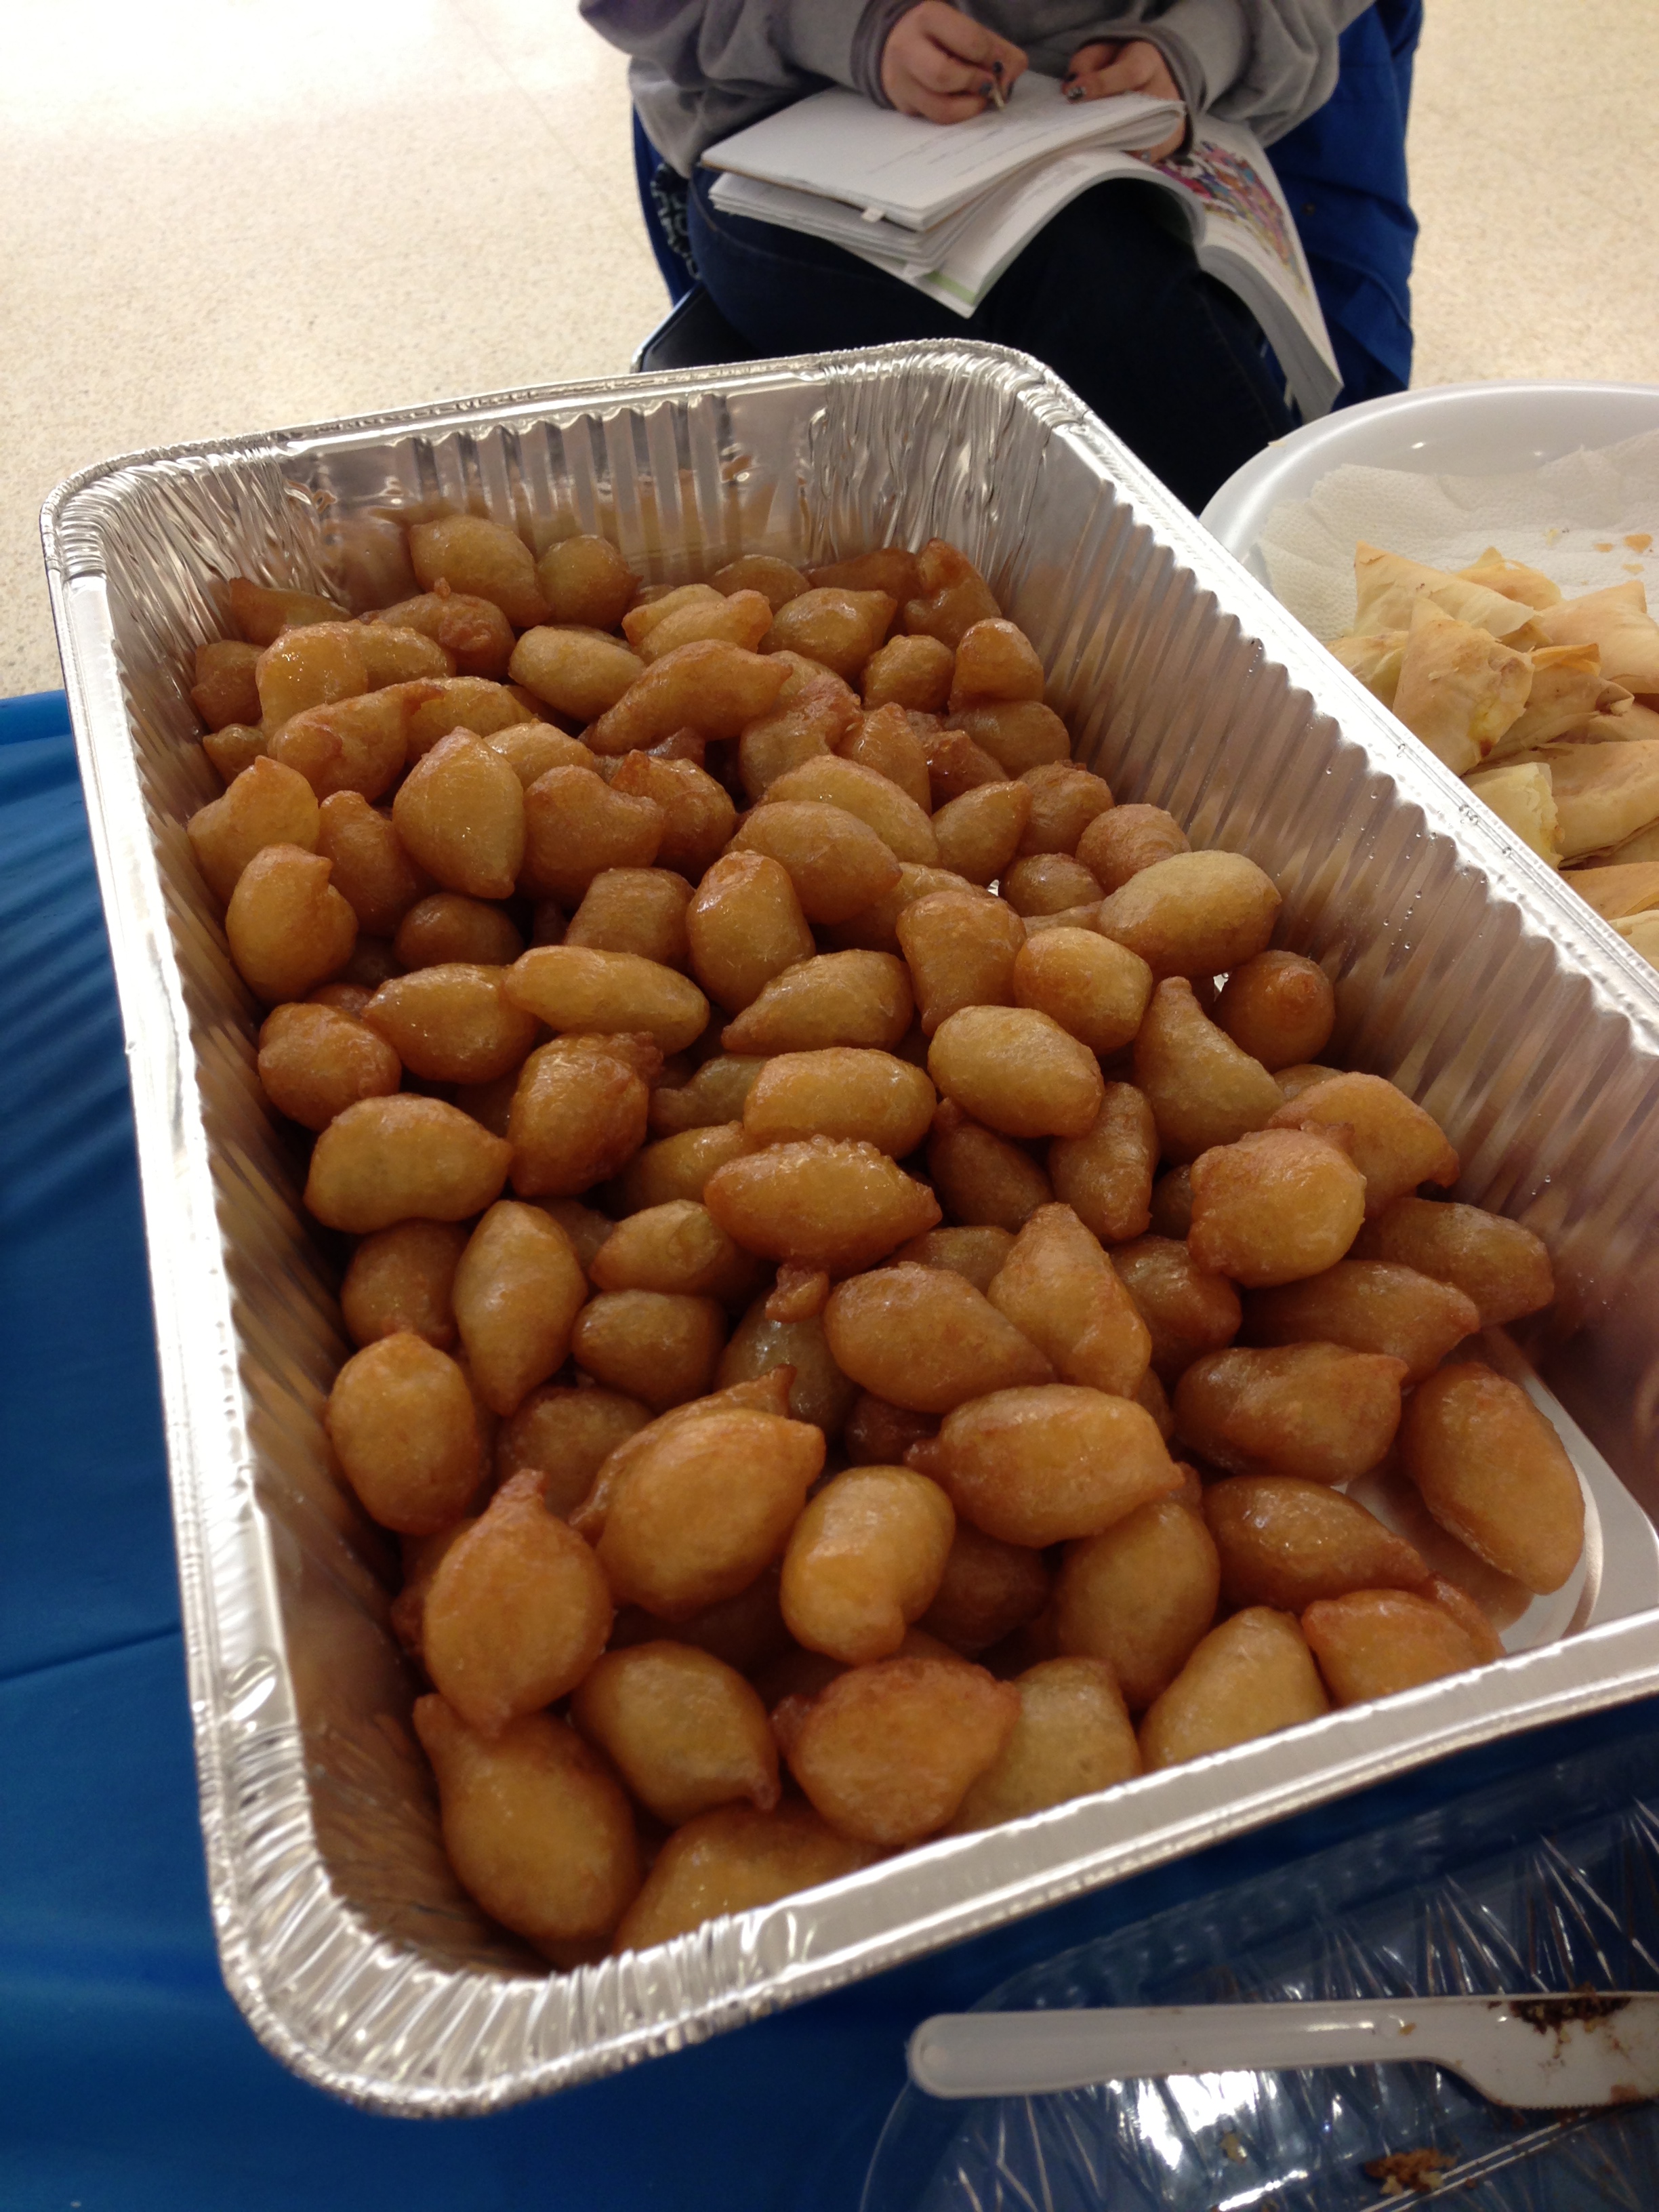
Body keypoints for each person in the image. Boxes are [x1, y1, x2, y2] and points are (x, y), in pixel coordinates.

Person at [586, 3, 1410, 513]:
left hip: (1195, 98)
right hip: (796, 117)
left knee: (1325, 411)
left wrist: (1214, 39)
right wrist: (852, 26)